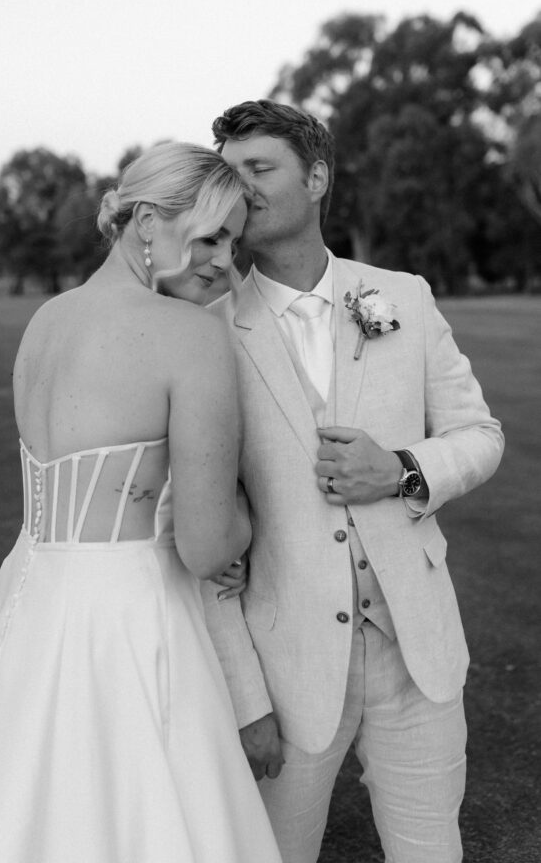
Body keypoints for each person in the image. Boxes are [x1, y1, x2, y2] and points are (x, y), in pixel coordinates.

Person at [0, 142, 283, 863]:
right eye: (211, 237)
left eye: (234, 244)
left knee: (27, 805)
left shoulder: (46, 322)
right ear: (146, 222)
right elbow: (207, 546)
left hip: (35, 599)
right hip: (131, 618)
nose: (225, 263)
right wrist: (245, 513)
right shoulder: (191, 335)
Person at [201, 100, 505, 863]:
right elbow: (202, 536)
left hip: (417, 656)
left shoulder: (404, 296)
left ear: (316, 179)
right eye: (228, 174)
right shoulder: (207, 330)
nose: (240, 188)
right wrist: (245, 699)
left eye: (259, 168)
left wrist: (401, 469)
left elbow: (480, 435)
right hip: (286, 670)